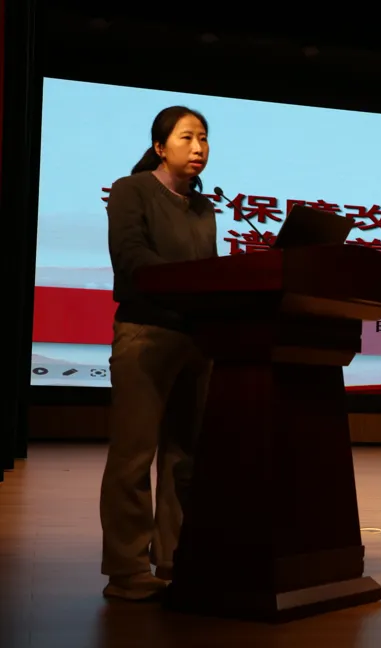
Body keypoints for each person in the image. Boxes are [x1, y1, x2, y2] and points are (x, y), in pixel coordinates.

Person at [99, 106, 217, 601]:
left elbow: (210, 271)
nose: (198, 147)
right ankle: (126, 569)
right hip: (146, 335)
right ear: (159, 146)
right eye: (187, 137)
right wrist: (191, 288)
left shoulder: (204, 207)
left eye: (204, 138)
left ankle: (173, 557)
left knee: (184, 458)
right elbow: (131, 258)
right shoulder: (132, 191)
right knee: (134, 455)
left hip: (196, 340)